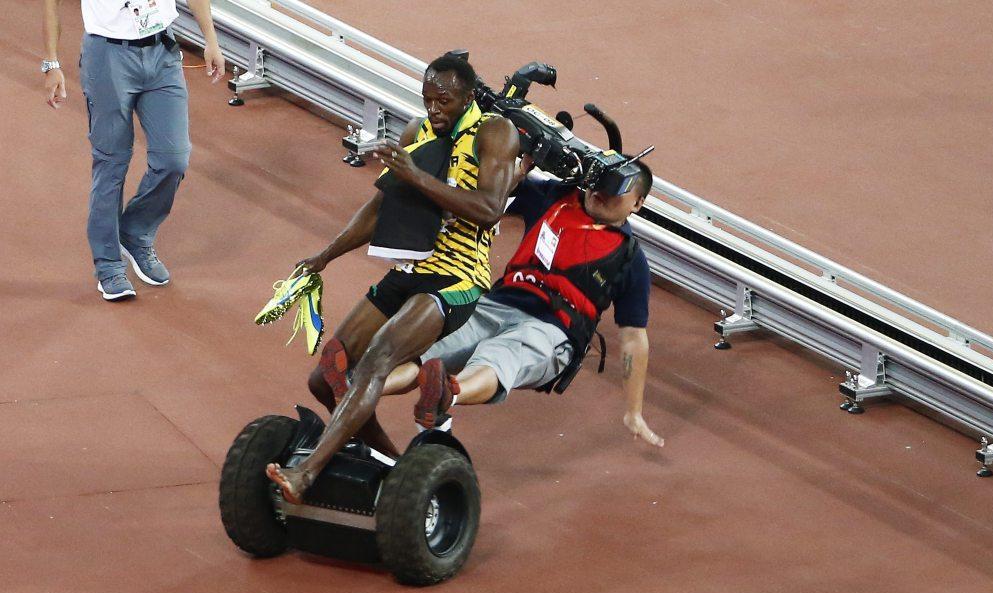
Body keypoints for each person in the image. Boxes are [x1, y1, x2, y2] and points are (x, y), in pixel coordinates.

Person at [265, 55, 520, 503]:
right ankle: (392, 466)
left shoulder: (494, 133)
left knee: (376, 361)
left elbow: (489, 209)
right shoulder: (414, 134)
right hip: (409, 269)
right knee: (326, 378)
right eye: (428, 100)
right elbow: (380, 208)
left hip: (457, 278)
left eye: (444, 101)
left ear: (467, 97)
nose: (435, 110)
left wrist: (416, 175)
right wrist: (325, 256)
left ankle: (306, 473)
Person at [387, 158, 664, 446]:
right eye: (598, 182)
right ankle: (363, 383)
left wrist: (634, 412)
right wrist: (521, 168)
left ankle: (448, 394)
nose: (601, 192)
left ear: (637, 204)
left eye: (615, 190)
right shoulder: (556, 197)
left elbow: (634, 338)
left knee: (500, 354)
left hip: (553, 331)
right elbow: (496, 195)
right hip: (497, 304)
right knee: (428, 346)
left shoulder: (631, 259)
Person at [42, 0, 225, 301]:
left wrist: (211, 41)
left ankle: (135, 232)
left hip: (161, 52)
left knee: (174, 159)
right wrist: (51, 64)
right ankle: (108, 264)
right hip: (108, 57)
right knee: (112, 162)